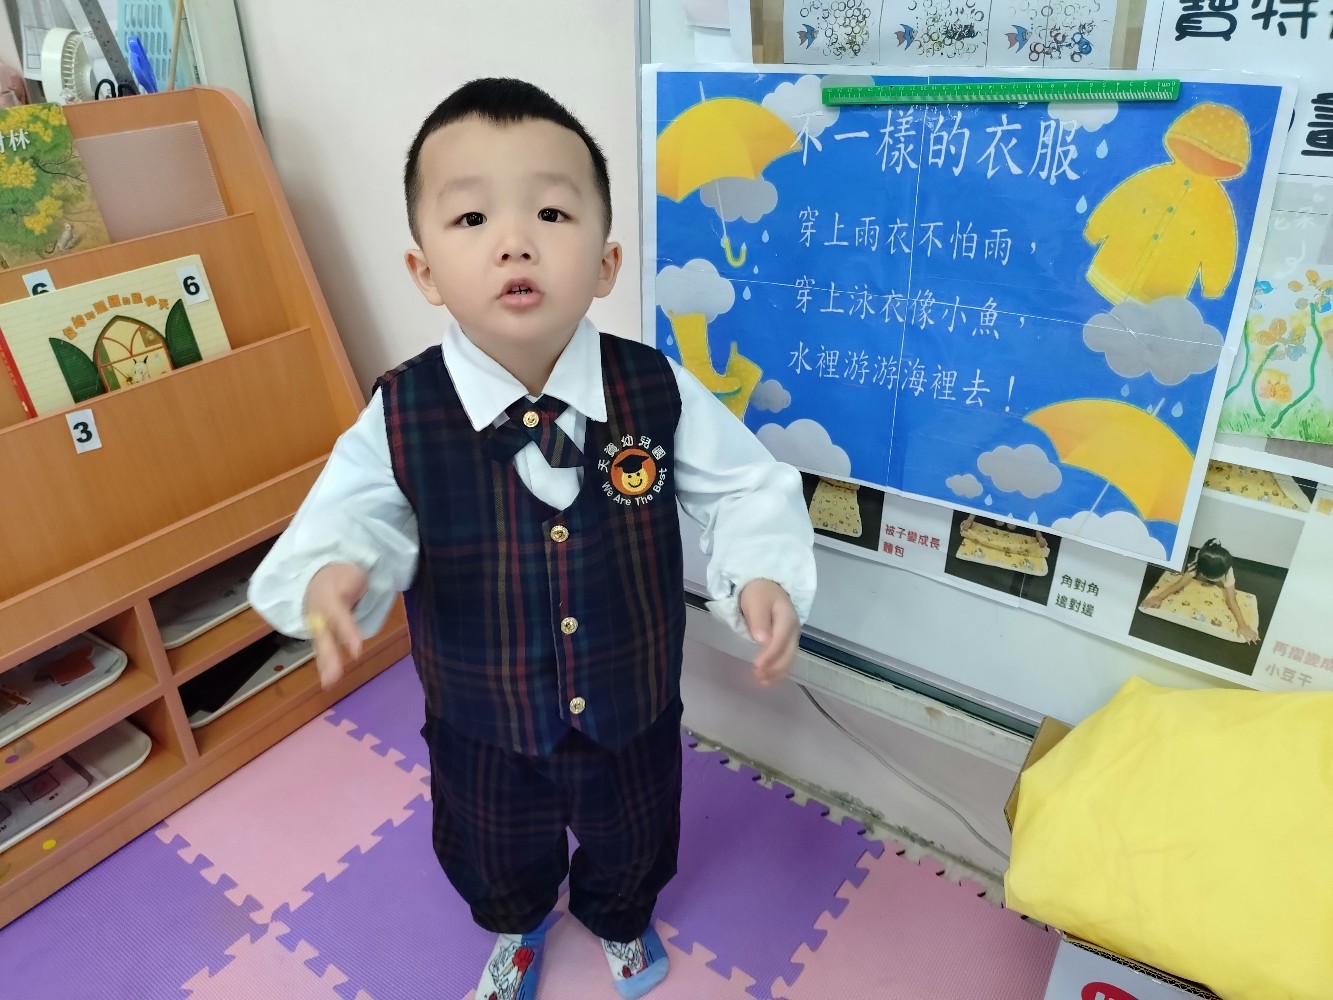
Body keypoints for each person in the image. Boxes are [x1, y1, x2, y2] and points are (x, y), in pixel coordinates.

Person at [247, 77, 816, 1000]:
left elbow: (746, 486)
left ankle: (618, 918)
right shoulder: (402, 411)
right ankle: (516, 928)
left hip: (631, 710)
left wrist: (759, 574)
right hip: (483, 725)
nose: (514, 241)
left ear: (606, 263)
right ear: (424, 271)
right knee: (491, 847)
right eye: (471, 218)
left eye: (551, 212)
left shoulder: (655, 389)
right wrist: (336, 571)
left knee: (636, 835)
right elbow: (355, 510)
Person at [1139, 538, 1258, 644]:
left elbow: (1231, 599)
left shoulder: (1228, 572)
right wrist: (1159, 597)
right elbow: (1180, 584)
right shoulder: (1196, 565)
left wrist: (1242, 624)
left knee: (1222, 588)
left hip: (1214, 570)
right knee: (1198, 582)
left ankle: (1214, 580)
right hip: (1201, 567)